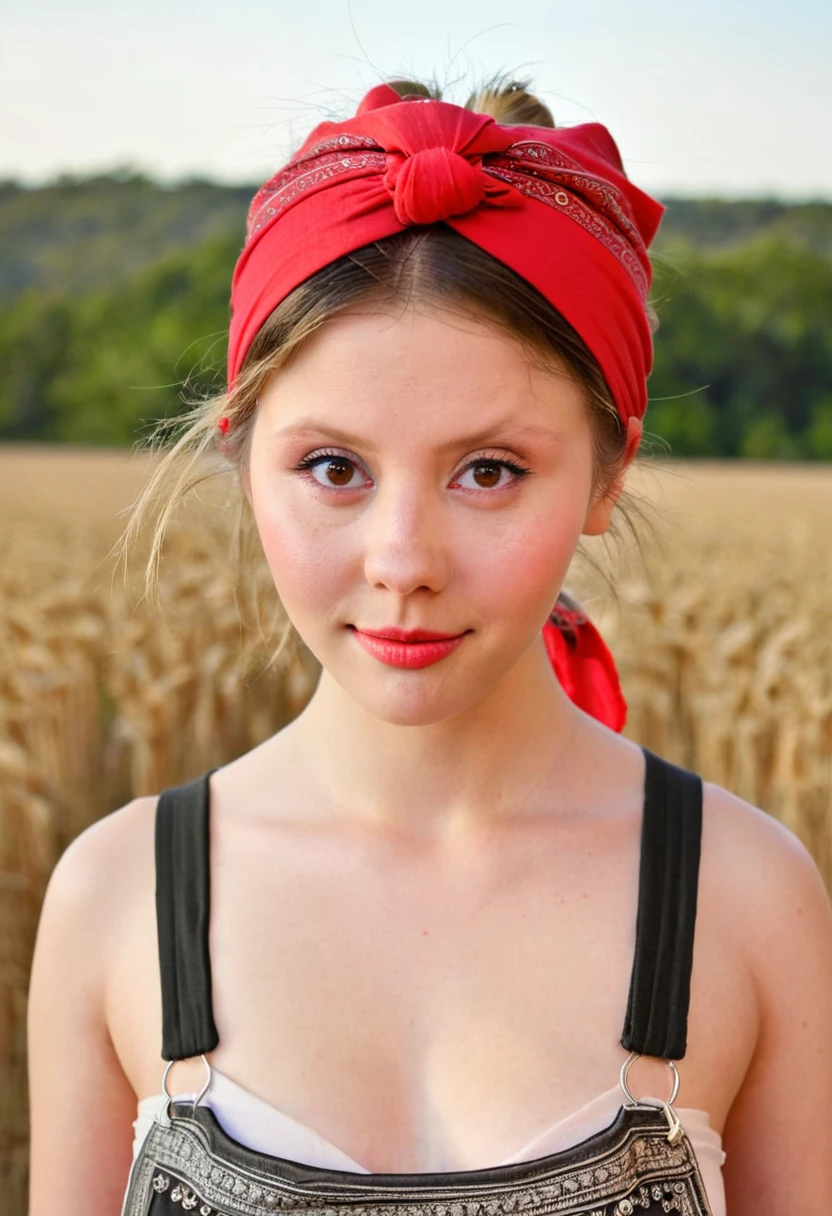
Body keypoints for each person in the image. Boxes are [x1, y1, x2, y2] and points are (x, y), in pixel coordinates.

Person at [26, 75, 832, 1216]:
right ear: (240, 458)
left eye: (488, 470)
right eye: (333, 468)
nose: (404, 557)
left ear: (608, 471)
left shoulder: (746, 899)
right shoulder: (116, 897)